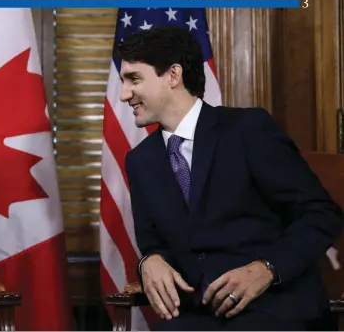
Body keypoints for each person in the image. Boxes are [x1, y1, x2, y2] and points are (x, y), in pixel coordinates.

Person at [119, 26, 343, 330]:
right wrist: (149, 261)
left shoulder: (247, 130)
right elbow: (153, 244)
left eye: (134, 79)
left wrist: (265, 269)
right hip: (198, 316)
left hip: (274, 307)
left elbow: (321, 214)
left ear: (173, 75)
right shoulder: (140, 161)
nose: (124, 95)